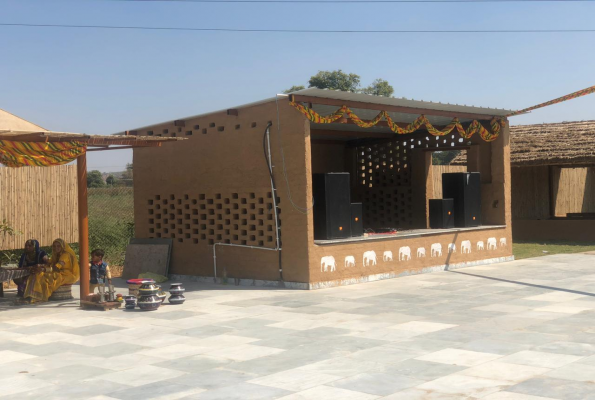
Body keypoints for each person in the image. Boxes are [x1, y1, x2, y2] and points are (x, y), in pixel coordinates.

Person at [23, 238, 80, 303]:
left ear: (62, 246)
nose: (56, 248)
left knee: (48, 277)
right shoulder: (56, 254)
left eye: (58, 246)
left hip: (68, 275)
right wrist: (40, 266)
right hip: (59, 272)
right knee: (39, 274)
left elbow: (57, 267)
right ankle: (33, 295)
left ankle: (41, 297)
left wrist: (44, 269)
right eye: (54, 246)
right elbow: (51, 263)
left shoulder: (65, 255)